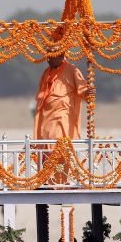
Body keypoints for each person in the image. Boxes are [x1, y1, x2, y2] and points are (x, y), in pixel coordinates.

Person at [33, 49, 94, 184]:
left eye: (52, 57)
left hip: (63, 116)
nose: (48, 60)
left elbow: (83, 90)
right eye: (47, 57)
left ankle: (60, 180)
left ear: (61, 55)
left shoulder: (72, 70)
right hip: (46, 117)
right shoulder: (46, 72)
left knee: (59, 147)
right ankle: (46, 179)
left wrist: (88, 92)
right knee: (46, 147)